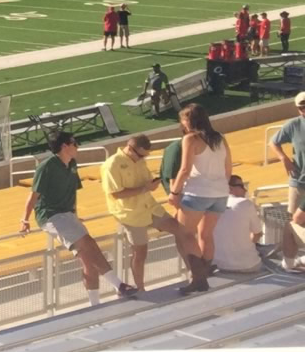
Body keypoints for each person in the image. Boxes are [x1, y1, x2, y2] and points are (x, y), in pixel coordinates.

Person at [20, 131, 134, 303]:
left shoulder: (72, 163)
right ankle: (120, 285)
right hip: (52, 215)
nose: (77, 146)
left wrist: (75, 215)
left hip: (67, 215)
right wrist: (25, 219)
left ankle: (94, 304)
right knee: (89, 243)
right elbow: (33, 195)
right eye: (74, 143)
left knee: (89, 261)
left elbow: (72, 192)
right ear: (64, 146)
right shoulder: (47, 167)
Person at [102, 133, 200, 291]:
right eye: (141, 155)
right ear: (130, 148)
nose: (142, 159)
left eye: (145, 156)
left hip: (150, 207)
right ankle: (140, 289)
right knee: (140, 252)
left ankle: (194, 273)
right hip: (130, 214)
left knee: (181, 231)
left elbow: (146, 181)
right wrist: (144, 188)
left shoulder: (140, 161)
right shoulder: (112, 165)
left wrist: (152, 183)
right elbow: (115, 193)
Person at [168, 102, 233, 286]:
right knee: (206, 234)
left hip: (197, 192)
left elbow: (185, 169)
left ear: (189, 120)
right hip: (220, 193)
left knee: (185, 234)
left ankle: (198, 278)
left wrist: (174, 192)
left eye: (183, 120)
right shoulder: (220, 137)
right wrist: (220, 185)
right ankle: (205, 270)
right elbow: (228, 168)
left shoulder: (191, 139)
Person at [272, 92, 305, 272]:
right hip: (298, 182)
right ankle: (289, 262)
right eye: (301, 107)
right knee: (292, 223)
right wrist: (283, 158)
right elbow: (274, 141)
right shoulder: (294, 125)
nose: (304, 110)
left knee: (295, 221)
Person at [214, 175, 265, 275]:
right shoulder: (245, 203)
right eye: (241, 186)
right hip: (247, 266)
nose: (245, 190)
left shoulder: (209, 205)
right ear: (230, 188)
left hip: (218, 265)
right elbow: (257, 234)